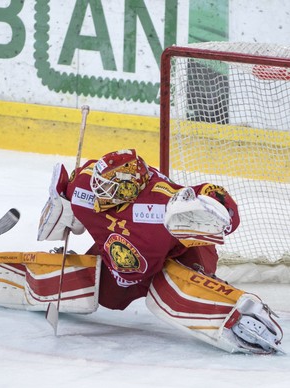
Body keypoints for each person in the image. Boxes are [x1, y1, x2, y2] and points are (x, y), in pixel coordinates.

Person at [34, 148, 283, 354]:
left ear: (130, 188)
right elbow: (64, 199)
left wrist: (218, 203)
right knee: (108, 296)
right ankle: (67, 271)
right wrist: (63, 211)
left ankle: (222, 303)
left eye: (108, 190)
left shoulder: (163, 202)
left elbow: (211, 203)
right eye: (98, 185)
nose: (99, 194)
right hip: (123, 260)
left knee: (176, 285)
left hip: (179, 254)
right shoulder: (85, 186)